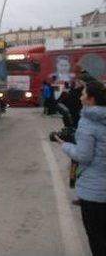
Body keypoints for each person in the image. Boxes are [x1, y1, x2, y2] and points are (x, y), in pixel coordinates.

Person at [55, 81, 106, 256]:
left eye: (83, 94)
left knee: (96, 236)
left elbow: (83, 156)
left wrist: (65, 145)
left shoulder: (89, 122)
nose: (80, 96)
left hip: (95, 192)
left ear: (91, 100)